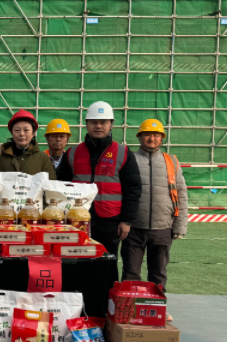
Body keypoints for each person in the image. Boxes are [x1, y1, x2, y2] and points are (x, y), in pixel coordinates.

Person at [56, 101, 142, 258]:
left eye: (103, 122)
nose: (98, 126)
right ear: (86, 124)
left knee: (107, 263)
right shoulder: (72, 153)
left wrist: (127, 221)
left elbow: (133, 189)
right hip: (77, 219)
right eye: (94, 122)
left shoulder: (123, 153)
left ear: (111, 125)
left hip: (110, 221)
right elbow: (60, 187)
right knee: (77, 262)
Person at [121, 119, 188, 288]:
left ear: (162, 138)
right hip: (133, 228)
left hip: (163, 228)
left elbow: (181, 194)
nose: (152, 138)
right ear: (139, 137)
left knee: (158, 274)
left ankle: (157, 304)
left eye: (156, 135)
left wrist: (180, 226)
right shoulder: (129, 159)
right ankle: (129, 304)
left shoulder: (171, 162)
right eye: (147, 134)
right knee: (130, 273)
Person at [0, 110, 57, 178]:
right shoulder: (0, 160)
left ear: (33, 133)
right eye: (17, 130)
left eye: (26, 130)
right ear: (11, 133)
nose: (21, 134)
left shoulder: (43, 159)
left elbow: (51, 182)